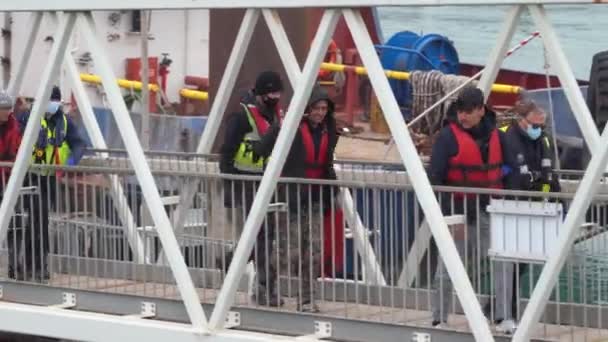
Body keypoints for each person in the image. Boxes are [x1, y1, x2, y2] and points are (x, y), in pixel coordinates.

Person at [428, 86, 515, 334]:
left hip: (491, 208)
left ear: (480, 110)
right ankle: (438, 319)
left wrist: (506, 192)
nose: (463, 117)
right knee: (448, 266)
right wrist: (448, 216)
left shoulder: (499, 136)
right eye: (460, 112)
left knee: (503, 261)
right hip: (458, 210)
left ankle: (502, 317)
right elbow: (435, 177)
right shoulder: (447, 137)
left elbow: (509, 170)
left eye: (468, 112)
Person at [256, 85, 340, 312]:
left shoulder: (328, 131)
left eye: (324, 109)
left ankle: (306, 300)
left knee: (313, 253)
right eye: (316, 108)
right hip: (290, 199)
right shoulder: (289, 128)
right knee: (286, 253)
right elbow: (262, 149)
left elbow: (327, 164)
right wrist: (279, 128)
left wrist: (333, 192)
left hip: (314, 199)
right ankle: (264, 285)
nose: (320, 113)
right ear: (306, 109)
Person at [218, 70, 284, 306]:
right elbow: (226, 153)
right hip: (244, 182)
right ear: (259, 93)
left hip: (267, 183)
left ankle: (233, 259)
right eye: (270, 93)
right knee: (262, 237)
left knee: (264, 237)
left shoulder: (276, 116)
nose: (274, 97)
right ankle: (265, 290)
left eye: (277, 92)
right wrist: (229, 185)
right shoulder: (242, 117)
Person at [496, 99, 560, 325]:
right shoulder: (504, 136)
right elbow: (504, 172)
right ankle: (504, 313)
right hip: (509, 208)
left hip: (534, 209)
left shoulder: (543, 140)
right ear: (521, 121)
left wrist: (555, 201)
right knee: (508, 264)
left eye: (542, 126)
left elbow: (550, 175)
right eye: (535, 125)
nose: (539, 129)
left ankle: (498, 308)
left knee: (521, 264)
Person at [20, 86, 86, 282]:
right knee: (34, 222)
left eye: (56, 100)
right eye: (51, 99)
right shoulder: (28, 118)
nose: (53, 104)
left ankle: (37, 266)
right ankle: (31, 265)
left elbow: (79, 143)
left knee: (40, 222)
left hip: (48, 178)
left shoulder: (64, 121)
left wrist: (72, 161)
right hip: (28, 177)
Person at [0, 90, 25, 280]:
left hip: (7, 180)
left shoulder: (14, 126)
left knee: (15, 223)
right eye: (3, 108)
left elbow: (18, 148)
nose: (6, 111)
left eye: (8, 108)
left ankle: (14, 264)